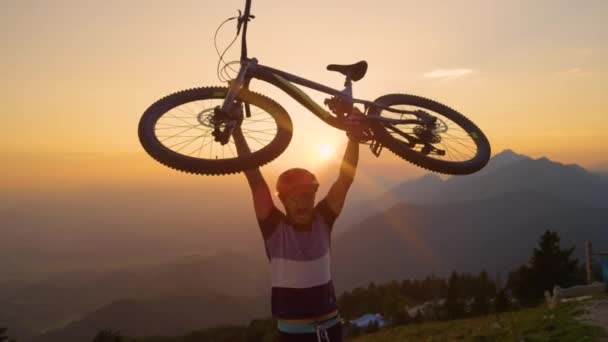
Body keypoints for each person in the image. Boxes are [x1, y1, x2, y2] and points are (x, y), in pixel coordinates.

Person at [232, 109, 361, 342]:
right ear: (283, 200)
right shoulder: (274, 228)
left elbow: (345, 179)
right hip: (293, 335)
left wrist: (354, 137)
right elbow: (255, 180)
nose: (303, 201)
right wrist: (236, 131)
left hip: (332, 329)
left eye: (308, 195)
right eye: (295, 197)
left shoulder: (324, 219)